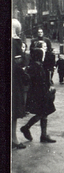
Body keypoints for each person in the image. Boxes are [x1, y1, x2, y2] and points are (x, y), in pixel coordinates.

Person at [21, 48, 57, 143]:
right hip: (38, 94)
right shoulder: (34, 67)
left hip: (42, 93)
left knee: (44, 113)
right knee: (42, 113)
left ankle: (43, 135)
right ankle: (26, 127)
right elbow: (32, 80)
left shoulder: (38, 65)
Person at [12, 19, 28, 149]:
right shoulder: (16, 42)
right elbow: (19, 63)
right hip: (14, 81)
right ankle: (14, 138)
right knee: (14, 111)